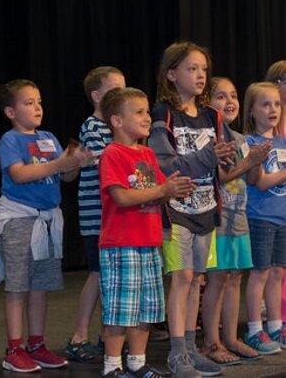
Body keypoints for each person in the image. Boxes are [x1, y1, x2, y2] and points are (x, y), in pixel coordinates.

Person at [0, 79, 93, 373]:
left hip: (47, 221)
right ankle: (14, 349)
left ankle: (36, 344)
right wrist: (59, 165)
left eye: (39, 102)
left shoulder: (48, 136)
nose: (37, 108)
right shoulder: (10, 140)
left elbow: (66, 178)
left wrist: (76, 163)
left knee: (40, 287)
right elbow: (20, 174)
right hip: (20, 219)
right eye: (28, 103)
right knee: (18, 288)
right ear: (10, 111)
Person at [148, 41, 235, 378]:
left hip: (206, 209)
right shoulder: (162, 115)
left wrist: (227, 156)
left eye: (203, 69)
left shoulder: (213, 116)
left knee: (196, 280)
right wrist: (209, 157)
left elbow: (224, 157)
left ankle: (191, 349)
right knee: (182, 277)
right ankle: (177, 355)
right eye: (191, 69)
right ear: (171, 74)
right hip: (175, 210)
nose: (200, 75)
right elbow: (166, 165)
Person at [98, 86, 196, 378]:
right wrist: (163, 189)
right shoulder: (112, 154)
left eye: (146, 111)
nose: (146, 117)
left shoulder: (148, 153)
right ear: (116, 121)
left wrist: (171, 191)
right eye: (138, 112)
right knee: (121, 308)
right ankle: (112, 366)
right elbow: (122, 197)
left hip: (148, 242)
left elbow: (154, 193)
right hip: (121, 243)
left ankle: (137, 363)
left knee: (145, 309)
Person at [201, 77, 271, 365]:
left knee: (234, 277)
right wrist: (247, 162)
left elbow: (251, 179)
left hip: (238, 218)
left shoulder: (240, 138)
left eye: (233, 95)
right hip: (218, 220)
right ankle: (211, 342)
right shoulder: (210, 138)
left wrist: (256, 160)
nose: (229, 101)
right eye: (220, 96)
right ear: (207, 103)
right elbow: (221, 176)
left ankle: (231, 338)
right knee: (216, 279)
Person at [66, 66, 126, 363]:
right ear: (96, 95)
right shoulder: (92, 126)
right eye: (115, 90)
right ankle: (79, 336)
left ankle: (107, 335)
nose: (121, 95)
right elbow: (109, 162)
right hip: (97, 216)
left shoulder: (117, 129)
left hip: (115, 215)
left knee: (110, 276)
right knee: (98, 274)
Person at [243, 81, 286, 355]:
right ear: (252, 111)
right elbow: (259, 182)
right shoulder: (251, 143)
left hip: (282, 219)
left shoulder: (282, 141)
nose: (273, 109)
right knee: (259, 273)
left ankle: (276, 325)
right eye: (265, 104)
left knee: (278, 273)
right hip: (260, 218)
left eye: (277, 104)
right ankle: (254, 329)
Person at [265, 61, 286, 326]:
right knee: (273, 268)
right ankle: (276, 317)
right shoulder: (268, 123)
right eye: (282, 80)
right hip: (272, 203)